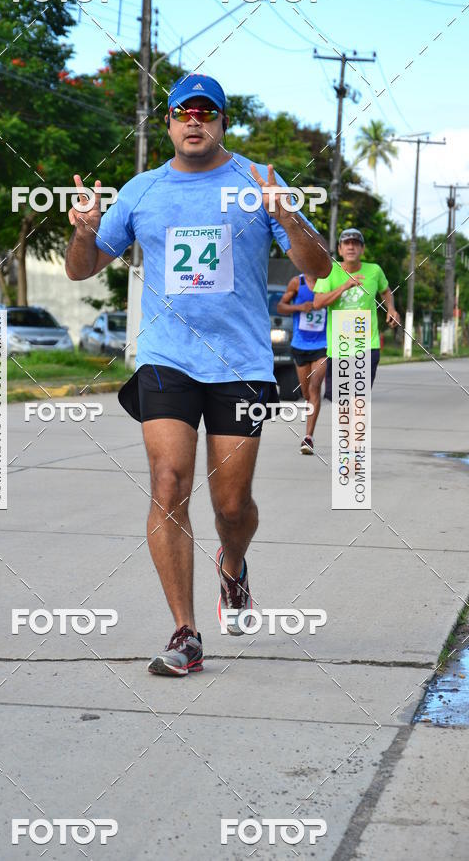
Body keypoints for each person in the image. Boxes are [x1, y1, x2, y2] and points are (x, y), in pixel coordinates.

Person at [65, 73, 330, 677]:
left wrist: (288, 219)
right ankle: (185, 633)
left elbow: (318, 269)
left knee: (231, 505)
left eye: (205, 112)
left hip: (240, 364)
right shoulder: (142, 191)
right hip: (167, 359)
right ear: (167, 122)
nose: (194, 121)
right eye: (182, 112)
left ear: (222, 122)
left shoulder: (257, 183)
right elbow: (82, 269)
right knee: (167, 484)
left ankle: (233, 566)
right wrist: (83, 231)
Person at [313, 228, 400, 401]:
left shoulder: (374, 270)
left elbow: (385, 291)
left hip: (367, 345)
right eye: (346, 243)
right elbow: (317, 303)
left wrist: (391, 308)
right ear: (340, 249)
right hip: (340, 348)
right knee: (341, 403)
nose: (351, 247)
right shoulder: (329, 271)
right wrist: (344, 286)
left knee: (358, 400)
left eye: (355, 243)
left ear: (362, 249)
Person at [276, 274, 327, 454]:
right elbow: (280, 307)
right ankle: (309, 429)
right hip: (300, 345)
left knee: (315, 386)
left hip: (323, 344)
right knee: (306, 393)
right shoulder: (297, 282)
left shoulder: (329, 281)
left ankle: (308, 437)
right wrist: (299, 307)